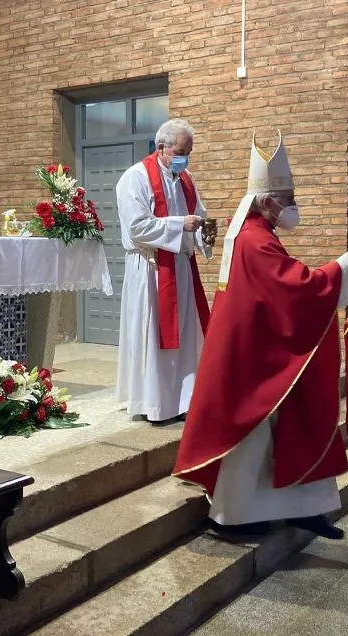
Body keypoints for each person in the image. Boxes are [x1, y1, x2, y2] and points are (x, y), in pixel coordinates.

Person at [172, 130, 348, 540]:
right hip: (253, 362)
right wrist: (344, 264)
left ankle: (306, 508)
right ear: (266, 201)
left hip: (260, 350)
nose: (292, 206)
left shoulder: (255, 234)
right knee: (254, 438)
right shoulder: (253, 241)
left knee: (292, 422)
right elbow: (295, 287)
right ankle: (233, 518)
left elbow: (283, 288)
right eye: (288, 197)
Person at [115, 119, 217, 423]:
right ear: (162, 148)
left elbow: (197, 216)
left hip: (181, 268)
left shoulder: (186, 178)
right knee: (154, 337)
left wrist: (203, 233)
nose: (186, 158)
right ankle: (155, 404)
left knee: (186, 336)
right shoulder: (134, 178)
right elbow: (136, 228)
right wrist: (178, 225)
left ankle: (184, 400)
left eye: (189, 152)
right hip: (151, 268)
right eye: (181, 151)